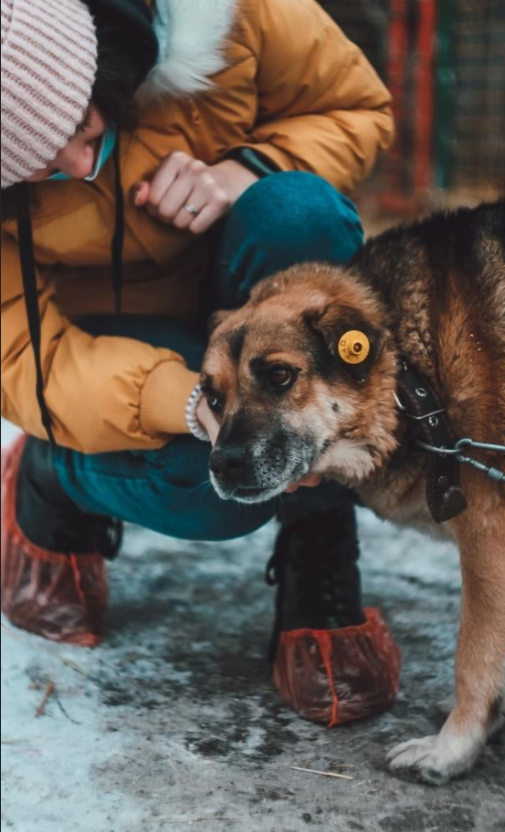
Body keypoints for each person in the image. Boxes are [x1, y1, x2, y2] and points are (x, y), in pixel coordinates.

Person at [1, 0, 398, 725]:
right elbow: (21, 353)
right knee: (209, 485)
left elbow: (358, 108)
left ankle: (321, 549)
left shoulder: (236, 12)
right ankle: (51, 471)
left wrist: (246, 170)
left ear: (109, 60)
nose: (80, 167)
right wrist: (183, 400)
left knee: (300, 211)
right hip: (106, 346)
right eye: (37, 172)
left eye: (82, 129)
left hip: (245, 288)